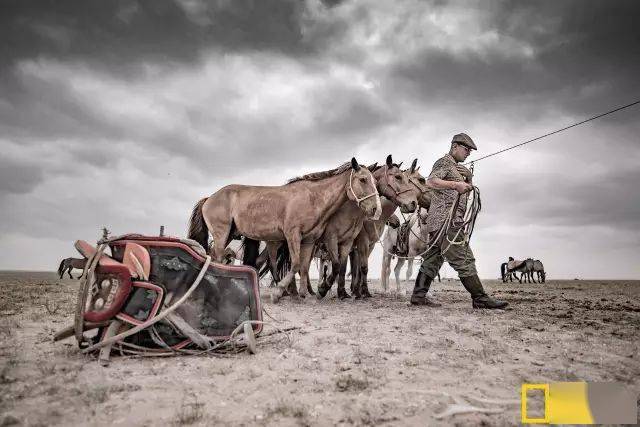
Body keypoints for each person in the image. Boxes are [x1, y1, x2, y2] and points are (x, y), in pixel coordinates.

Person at [411, 133, 508, 309]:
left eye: (470, 150)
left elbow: (462, 194)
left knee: (433, 260)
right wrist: (456, 184)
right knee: (464, 258)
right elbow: (431, 182)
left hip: (440, 222)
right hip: (446, 222)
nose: (468, 153)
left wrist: (468, 180)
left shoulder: (456, 168)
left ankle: (418, 297)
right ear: (455, 146)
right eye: (466, 149)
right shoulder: (444, 162)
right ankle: (479, 298)